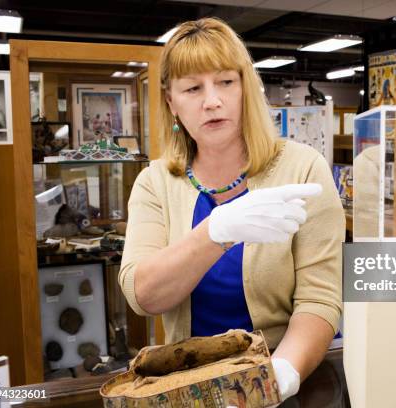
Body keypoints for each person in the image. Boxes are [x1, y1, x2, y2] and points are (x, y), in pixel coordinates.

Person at [118, 17, 344, 402]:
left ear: (245, 88)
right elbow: (143, 296)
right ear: (172, 102)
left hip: (285, 377)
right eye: (192, 88)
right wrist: (215, 231)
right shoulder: (155, 182)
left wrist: (281, 376)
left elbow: (319, 300)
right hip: (187, 386)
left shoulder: (302, 169)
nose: (212, 100)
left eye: (226, 81)